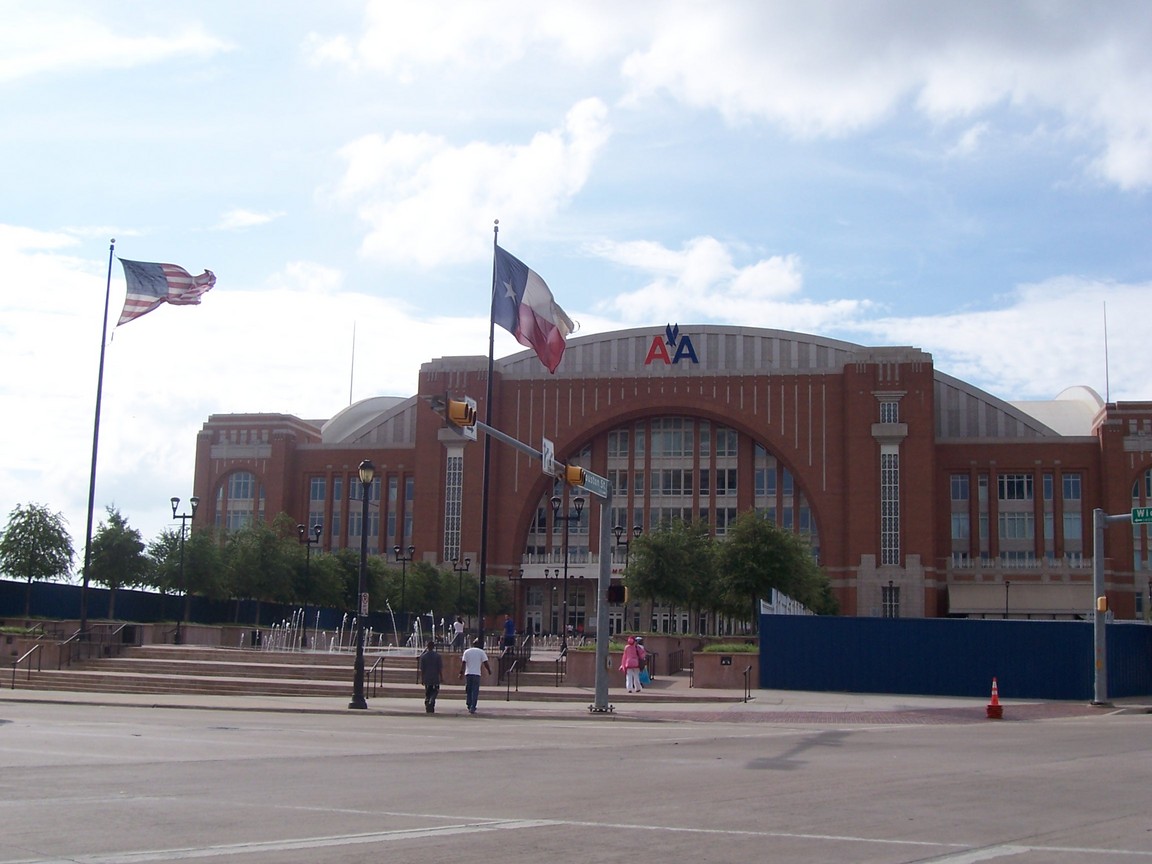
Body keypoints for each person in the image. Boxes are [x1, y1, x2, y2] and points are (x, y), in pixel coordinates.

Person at [459, 638, 492, 714]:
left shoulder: (467, 652)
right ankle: (473, 706)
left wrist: (461, 673)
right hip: (476, 674)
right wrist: (489, 670)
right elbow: (485, 662)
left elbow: (463, 663)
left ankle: (469, 703)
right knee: (475, 691)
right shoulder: (481, 652)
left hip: (468, 673)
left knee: (469, 689)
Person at [418, 640, 443, 713]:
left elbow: (422, 669)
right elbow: (439, 668)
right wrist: (441, 677)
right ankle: (431, 701)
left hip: (427, 677)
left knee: (428, 691)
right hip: (435, 677)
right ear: (433, 647)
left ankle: (428, 700)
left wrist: (422, 678)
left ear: (427, 647)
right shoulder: (437, 656)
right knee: (435, 690)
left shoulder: (423, 656)